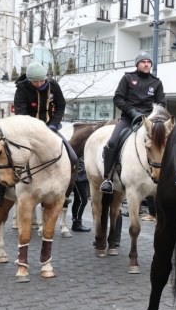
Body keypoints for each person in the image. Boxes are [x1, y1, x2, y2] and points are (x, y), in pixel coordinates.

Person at [0, 61, 78, 206]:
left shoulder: (53, 85)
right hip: (27, 130)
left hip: (50, 129)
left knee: (72, 157)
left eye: (41, 80)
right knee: (6, 158)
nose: (39, 83)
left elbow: (60, 105)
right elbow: (21, 113)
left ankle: (64, 192)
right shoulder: (22, 89)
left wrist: (54, 124)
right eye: (35, 82)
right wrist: (35, 129)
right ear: (29, 80)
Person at [99, 51, 166, 194]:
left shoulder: (156, 82)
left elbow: (161, 103)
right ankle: (108, 178)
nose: (147, 64)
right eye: (143, 62)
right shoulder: (128, 78)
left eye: (149, 62)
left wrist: (154, 116)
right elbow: (118, 98)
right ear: (137, 64)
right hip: (128, 119)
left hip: (149, 121)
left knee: (162, 144)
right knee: (112, 142)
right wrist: (132, 112)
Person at [70, 155, 90, 232]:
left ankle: (76, 223)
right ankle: (77, 223)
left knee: (78, 201)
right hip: (78, 181)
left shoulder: (84, 156)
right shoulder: (76, 156)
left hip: (83, 180)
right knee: (83, 200)